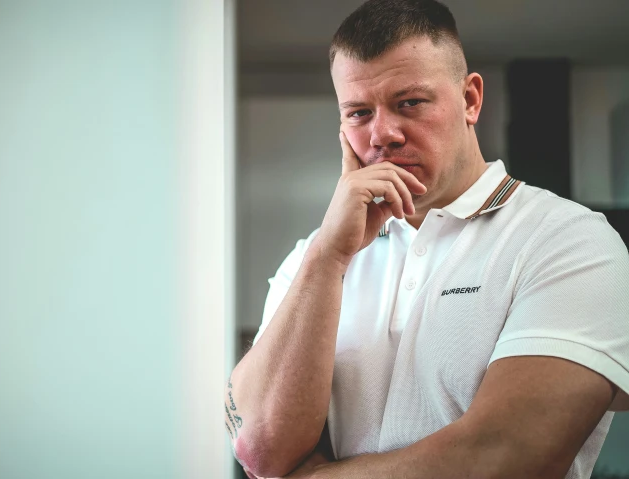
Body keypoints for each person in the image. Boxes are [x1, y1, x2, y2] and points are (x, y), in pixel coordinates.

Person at [223, 0, 629, 478]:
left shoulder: (568, 240)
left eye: (410, 103)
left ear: (470, 100)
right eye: (358, 112)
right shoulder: (312, 259)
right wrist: (329, 256)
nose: (383, 134)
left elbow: (507, 459)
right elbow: (261, 449)